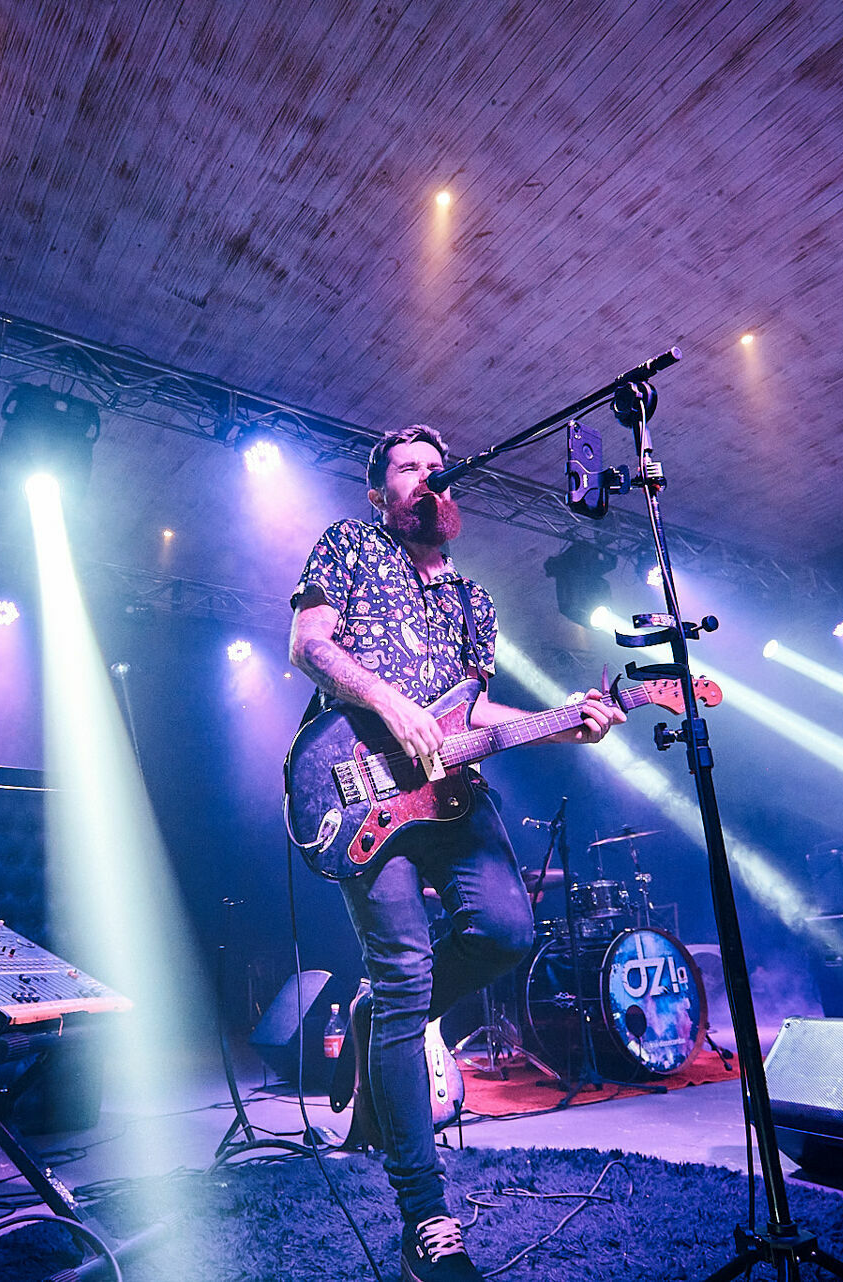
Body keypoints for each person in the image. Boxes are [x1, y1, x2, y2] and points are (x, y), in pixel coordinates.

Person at [288, 425, 625, 1282]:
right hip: (359, 781)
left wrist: (561, 728)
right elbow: (312, 644)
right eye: (408, 466)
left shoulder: (474, 599)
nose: (429, 475)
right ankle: (427, 1217)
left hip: (452, 795)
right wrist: (392, 704)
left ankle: (379, 1016)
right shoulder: (351, 547)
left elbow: (473, 717)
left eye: (438, 467)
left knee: (509, 934)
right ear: (380, 494)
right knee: (404, 977)